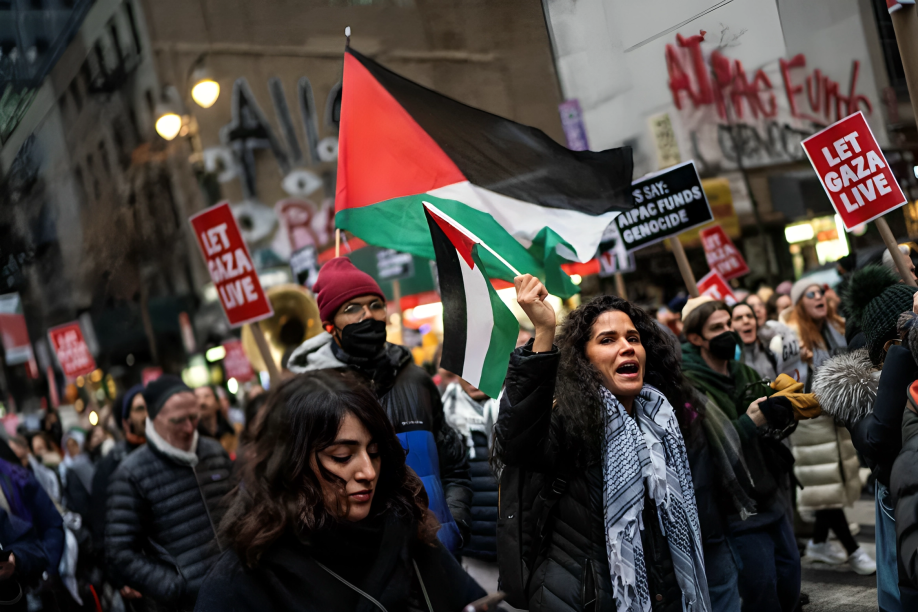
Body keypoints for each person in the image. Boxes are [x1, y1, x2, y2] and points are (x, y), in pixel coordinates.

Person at [495, 275, 711, 612]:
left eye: (633, 338)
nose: (626, 347)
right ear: (584, 360)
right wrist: (543, 333)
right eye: (607, 340)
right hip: (585, 599)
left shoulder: (663, 421)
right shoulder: (566, 421)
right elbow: (516, 442)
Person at [195, 369, 485, 612]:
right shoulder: (243, 580)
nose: (368, 472)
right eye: (342, 457)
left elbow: (474, 600)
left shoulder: (407, 529)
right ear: (291, 464)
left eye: (374, 452)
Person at [287, 257, 472, 552]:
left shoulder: (416, 380)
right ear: (329, 326)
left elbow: (454, 466)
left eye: (375, 305)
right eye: (352, 309)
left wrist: (454, 523)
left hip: (440, 555)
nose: (368, 316)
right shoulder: (312, 397)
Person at [681, 297, 800, 612]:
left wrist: (784, 408)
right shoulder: (688, 384)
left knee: (790, 578)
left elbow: (769, 427)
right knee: (761, 589)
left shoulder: (744, 372)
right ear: (695, 338)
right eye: (716, 328)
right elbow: (706, 442)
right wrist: (749, 422)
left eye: (728, 324)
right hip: (735, 505)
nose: (728, 332)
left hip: (768, 490)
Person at [106, 375, 232, 610]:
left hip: (239, 591)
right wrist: (173, 586)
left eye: (194, 417)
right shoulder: (131, 473)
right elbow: (119, 551)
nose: (189, 427)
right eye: (178, 420)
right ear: (154, 419)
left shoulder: (213, 451)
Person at [784, 277, 875, 575]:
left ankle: (819, 543)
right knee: (826, 488)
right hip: (810, 421)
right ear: (800, 303)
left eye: (821, 292)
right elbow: (791, 382)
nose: (819, 297)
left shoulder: (832, 328)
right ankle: (854, 551)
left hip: (834, 416)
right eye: (811, 294)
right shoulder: (794, 337)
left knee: (831, 486)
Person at [441, 378, 500, 594]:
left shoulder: (517, 410)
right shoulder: (446, 413)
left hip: (517, 547)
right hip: (472, 545)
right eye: (467, 374)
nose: (474, 380)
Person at [90, 385, 147, 546]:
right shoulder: (110, 465)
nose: (147, 414)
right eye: (140, 409)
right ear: (125, 421)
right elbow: (103, 529)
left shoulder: (170, 452)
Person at [732, 301, 778, 380]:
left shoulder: (771, 351)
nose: (746, 321)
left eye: (749, 316)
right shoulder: (727, 363)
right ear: (730, 326)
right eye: (738, 318)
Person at [59, 429, 94, 521]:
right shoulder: (64, 468)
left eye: (74, 445)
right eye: (68, 446)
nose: (71, 449)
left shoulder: (90, 461)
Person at [195, 385, 238, 457]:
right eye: (197, 398)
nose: (202, 402)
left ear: (218, 403)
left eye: (207, 396)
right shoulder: (192, 439)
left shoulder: (232, 433)